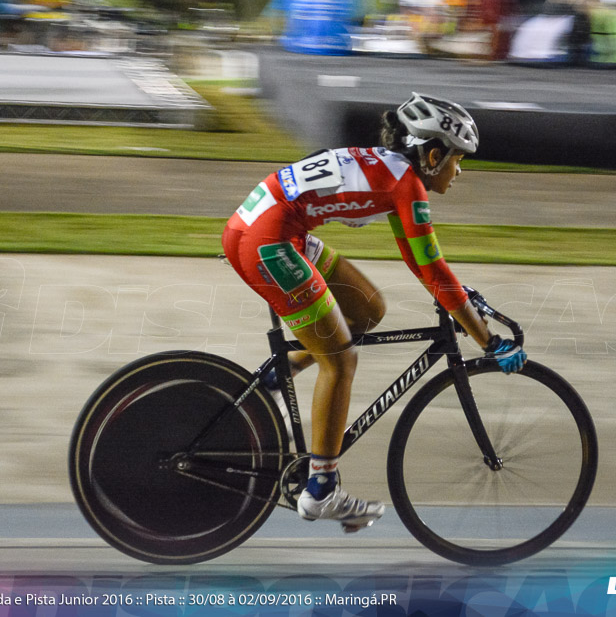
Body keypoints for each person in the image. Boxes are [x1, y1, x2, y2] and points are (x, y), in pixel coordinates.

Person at [221, 93, 527, 532]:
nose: (460, 171)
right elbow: (432, 271)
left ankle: (278, 374)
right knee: (341, 360)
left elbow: (427, 269)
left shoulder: (385, 166)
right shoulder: (408, 184)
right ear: (433, 154)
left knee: (367, 309)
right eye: (458, 160)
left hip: (260, 228)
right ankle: (322, 490)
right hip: (269, 240)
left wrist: (457, 297)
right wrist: (490, 341)